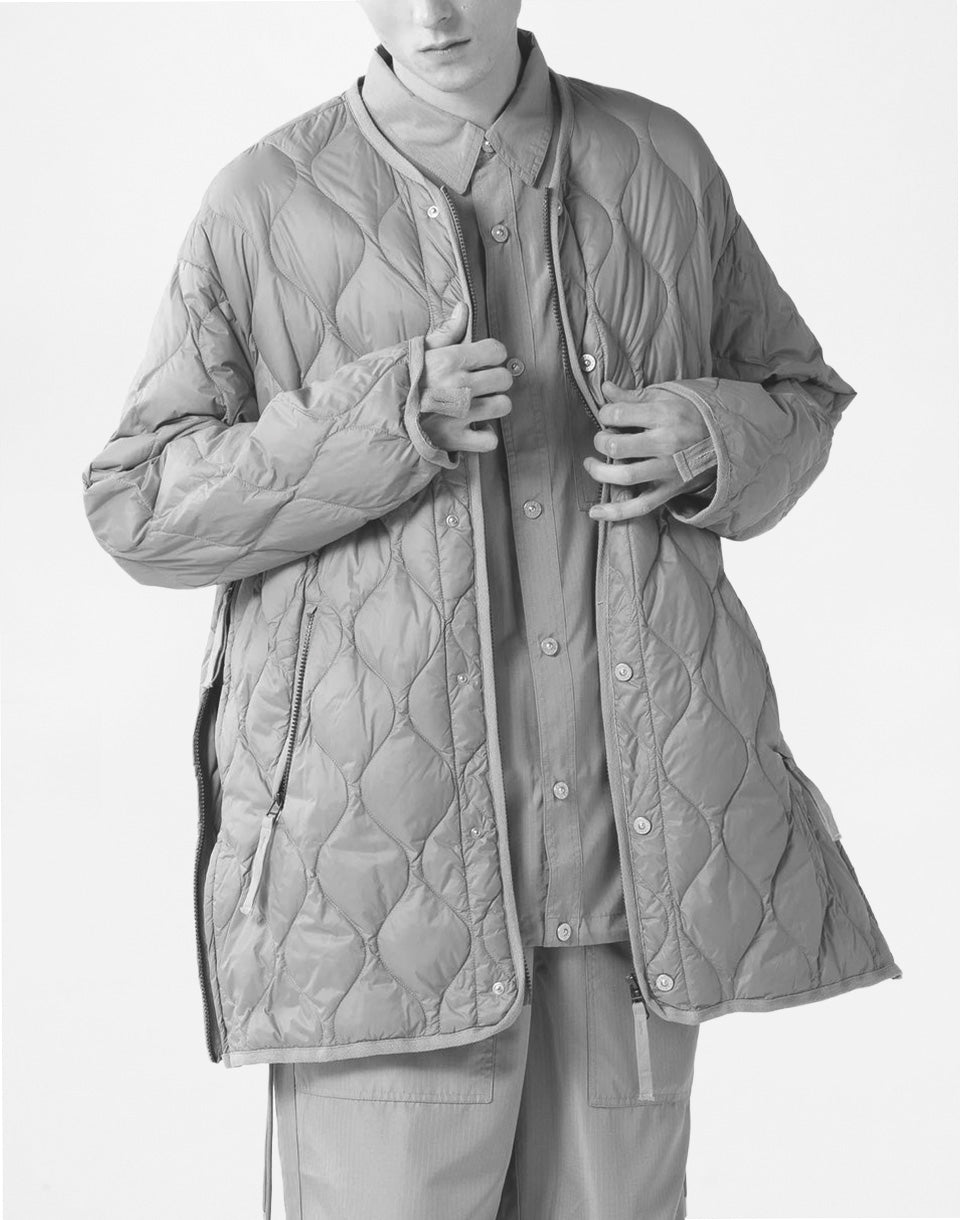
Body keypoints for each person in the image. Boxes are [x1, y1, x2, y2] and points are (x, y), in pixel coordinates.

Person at [80, 3, 902, 1218]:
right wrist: (381, 422)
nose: (434, 11)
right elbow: (140, 502)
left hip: (625, 878)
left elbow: (800, 391)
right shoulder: (264, 201)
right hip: (378, 898)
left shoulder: (659, 161)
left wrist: (712, 435)